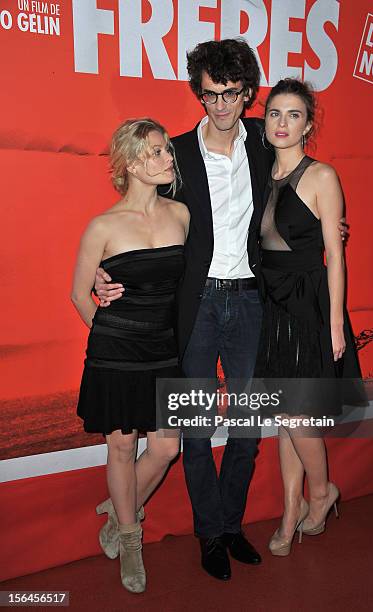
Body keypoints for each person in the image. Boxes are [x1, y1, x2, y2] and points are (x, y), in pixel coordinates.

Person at [94, 39, 349, 580]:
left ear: (247, 94)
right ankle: (208, 531)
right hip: (198, 304)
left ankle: (231, 525)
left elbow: (299, 201)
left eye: (233, 94)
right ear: (198, 94)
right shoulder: (177, 155)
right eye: (211, 95)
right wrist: (102, 268)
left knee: (248, 426)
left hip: (255, 301)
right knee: (193, 427)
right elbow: (139, 212)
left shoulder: (264, 144)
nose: (222, 105)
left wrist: (330, 229)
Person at [71, 118, 189, 593]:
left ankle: (119, 507)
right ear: (132, 163)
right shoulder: (103, 225)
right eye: (157, 152)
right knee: (121, 446)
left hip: (166, 348)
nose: (167, 159)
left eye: (166, 151)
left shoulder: (181, 214)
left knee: (165, 447)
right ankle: (128, 536)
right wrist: (108, 338)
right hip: (116, 349)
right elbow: (81, 296)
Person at [254, 78, 363, 556]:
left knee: (298, 417)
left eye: (293, 114)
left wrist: (335, 323)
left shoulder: (322, 176)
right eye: (275, 113)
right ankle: (290, 509)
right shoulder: (258, 173)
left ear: (308, 124)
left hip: (308, 303)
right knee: (284, 417)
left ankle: (322, 493)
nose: (282, 123)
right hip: (269, 302)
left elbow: (335, 256)